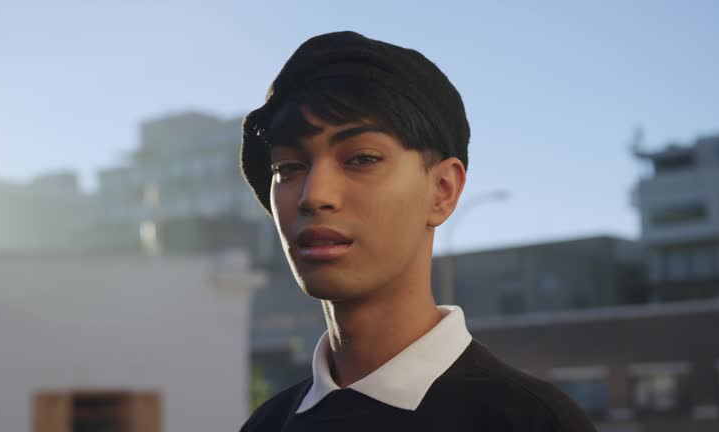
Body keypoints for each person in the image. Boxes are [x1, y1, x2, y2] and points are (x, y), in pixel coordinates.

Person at [239, 31, 596, 432]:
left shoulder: (530, 422)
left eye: (361, 158)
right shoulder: (267, 425)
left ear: (443, 190)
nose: (314, 195)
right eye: (288, 168)